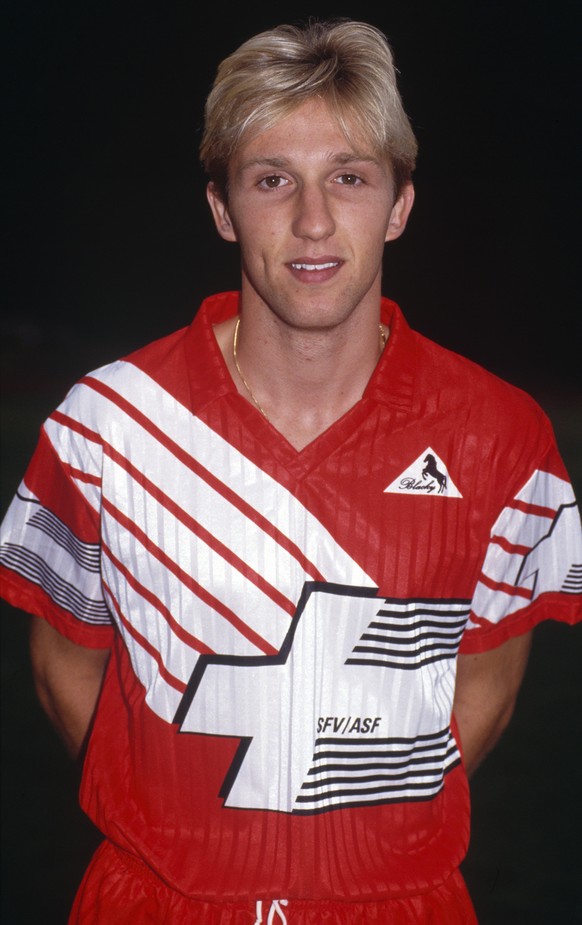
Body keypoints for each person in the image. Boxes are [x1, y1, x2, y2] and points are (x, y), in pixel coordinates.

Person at [0, 18, 580, 925]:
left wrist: (346, 823)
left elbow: (489, 682)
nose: (313, 221)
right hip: (157, 899)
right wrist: (194, 828)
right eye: (273, 181)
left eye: (348, 178)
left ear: (398, 203)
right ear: (224, 208)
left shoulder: (500, 435)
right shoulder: (106, 424)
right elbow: (63, 666)